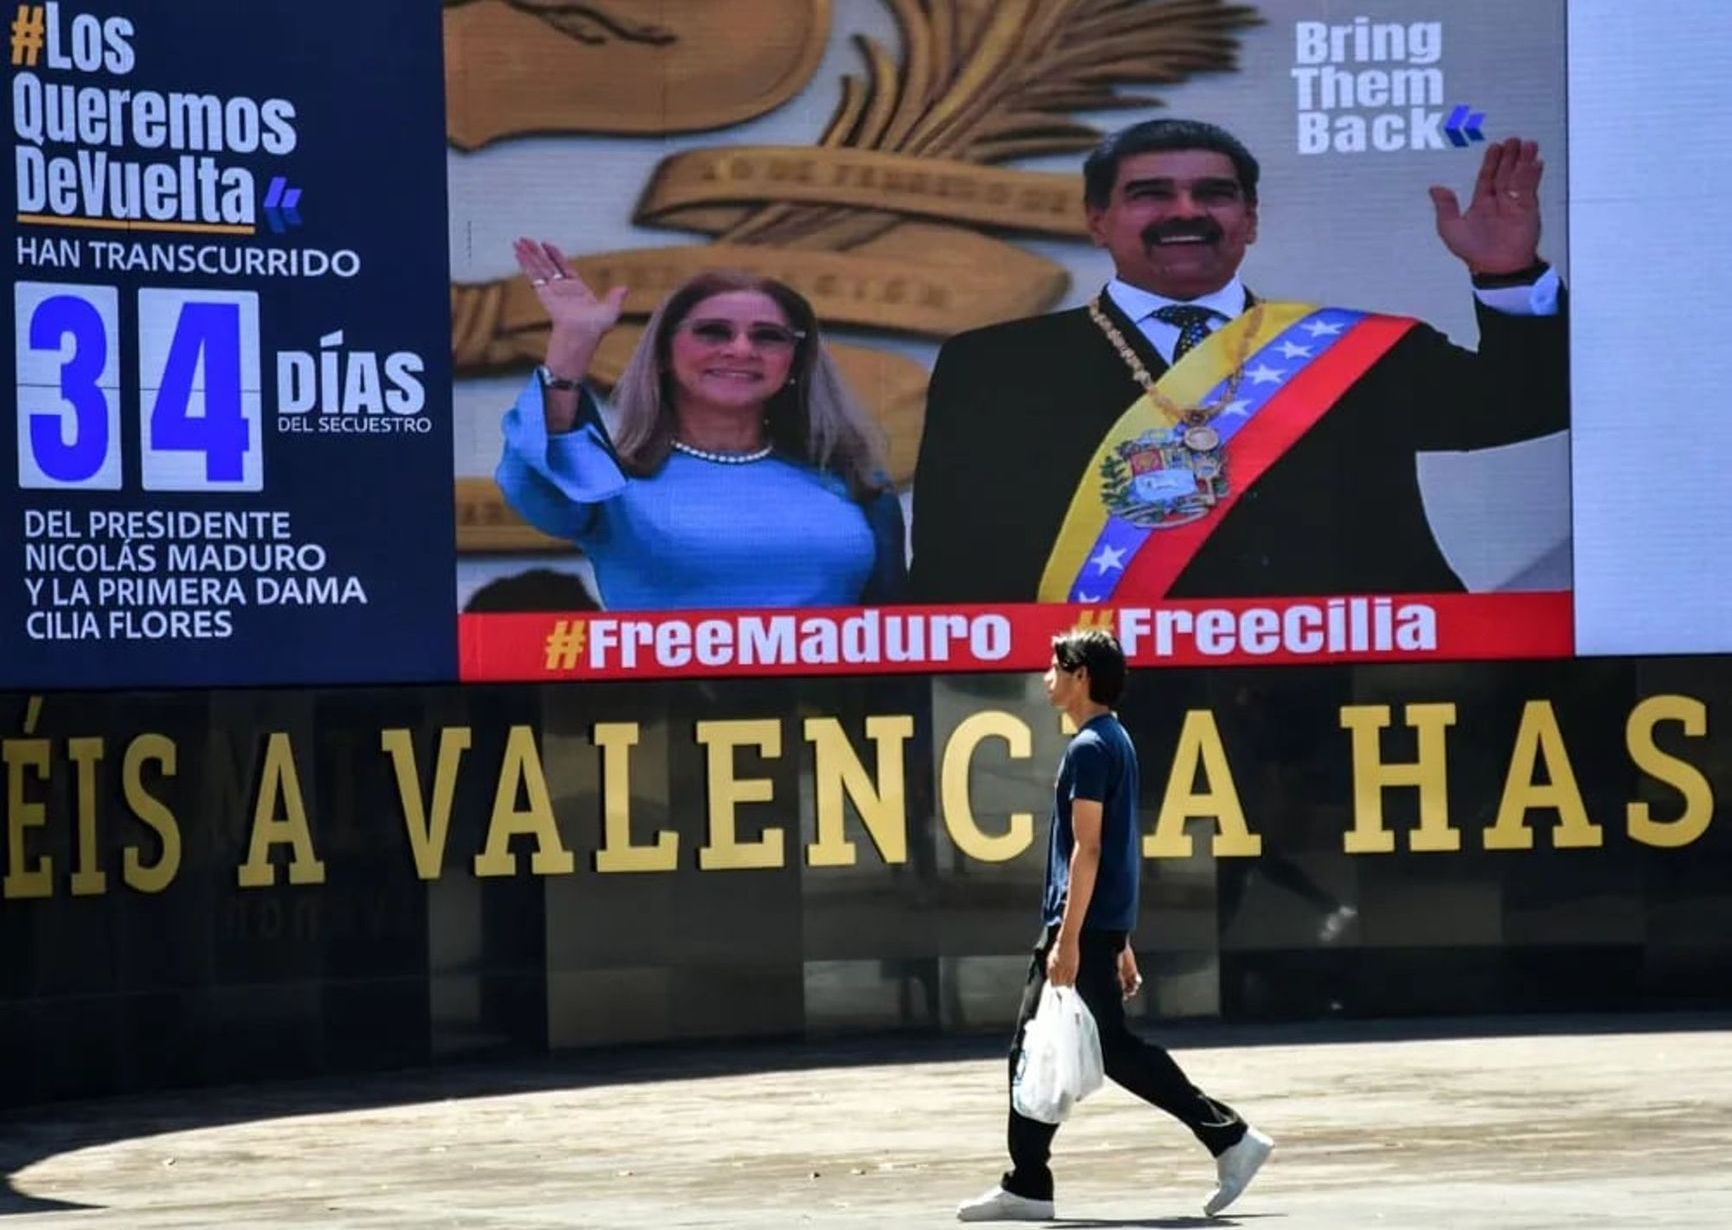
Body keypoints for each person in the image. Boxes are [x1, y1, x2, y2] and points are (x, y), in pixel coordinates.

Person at [909, 119, 1567, 603]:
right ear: (1097, 221)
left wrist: (1506, 273)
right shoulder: (994, 366)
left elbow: (1530, 401)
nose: (1186, 211)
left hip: (1351, 692)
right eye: (1150, 194)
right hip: (1111, 698)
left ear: (1250, 220)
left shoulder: (1358, 350)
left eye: (1214, 194)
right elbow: (954, 565)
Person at [957, 627, 1272, 1223]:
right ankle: (1031, 1181)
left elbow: (1091, 848)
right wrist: (1118, 940)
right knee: (1079, 1048)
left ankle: (1228, 1138)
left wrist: (1069, 939)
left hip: (1078, 928)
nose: (1046, 678)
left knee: (1057, 1049)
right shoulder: (1113, 740)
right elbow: (1118, 849)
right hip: (1096, 928)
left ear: (1081, 677)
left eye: (1055, 667)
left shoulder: (1090, 748)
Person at [496, 242, 906, 610]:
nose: (741, 349)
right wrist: (573, 346)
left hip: (835, 678)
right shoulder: (608, 483)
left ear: (795, 361)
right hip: (659, 677)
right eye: (713, 332)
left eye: (768, 337)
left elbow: (896, 633)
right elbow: (538, 481)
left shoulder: (854, 481)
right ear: (663, 354)